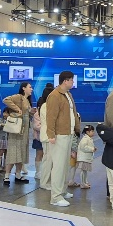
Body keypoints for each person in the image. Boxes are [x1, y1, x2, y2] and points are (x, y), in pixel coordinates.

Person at [46, 71, 81, 207]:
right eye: (71, 80)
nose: (73, 82)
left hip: (69, 133)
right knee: (59, 167)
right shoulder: (54, 96)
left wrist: (76, 129)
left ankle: (62, 190)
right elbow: (51, 117)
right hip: (59, 135)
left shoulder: (68, 94)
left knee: (65, 166)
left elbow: (73, 113)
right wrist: (51, 135)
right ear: (65, 81)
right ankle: (55, 197)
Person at [2, 82, 33, 184]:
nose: (31, 89)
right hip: (16, 129)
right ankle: (7, 175)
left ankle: (18, 174)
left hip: (24, 130)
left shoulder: (27, 100)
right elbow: (6, 100)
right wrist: (17, 109)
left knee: (21, 152)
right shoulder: (18, 97)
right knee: (13, 152)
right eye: (29, 87)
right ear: (23, 88)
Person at [37, 86, 54, 190]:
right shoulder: (45, 106)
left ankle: (48, 181)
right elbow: (50, 121)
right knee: (47, 160)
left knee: (49, 160)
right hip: (47, 136)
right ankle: (44, 182)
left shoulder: (47, 105)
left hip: (49, 136)